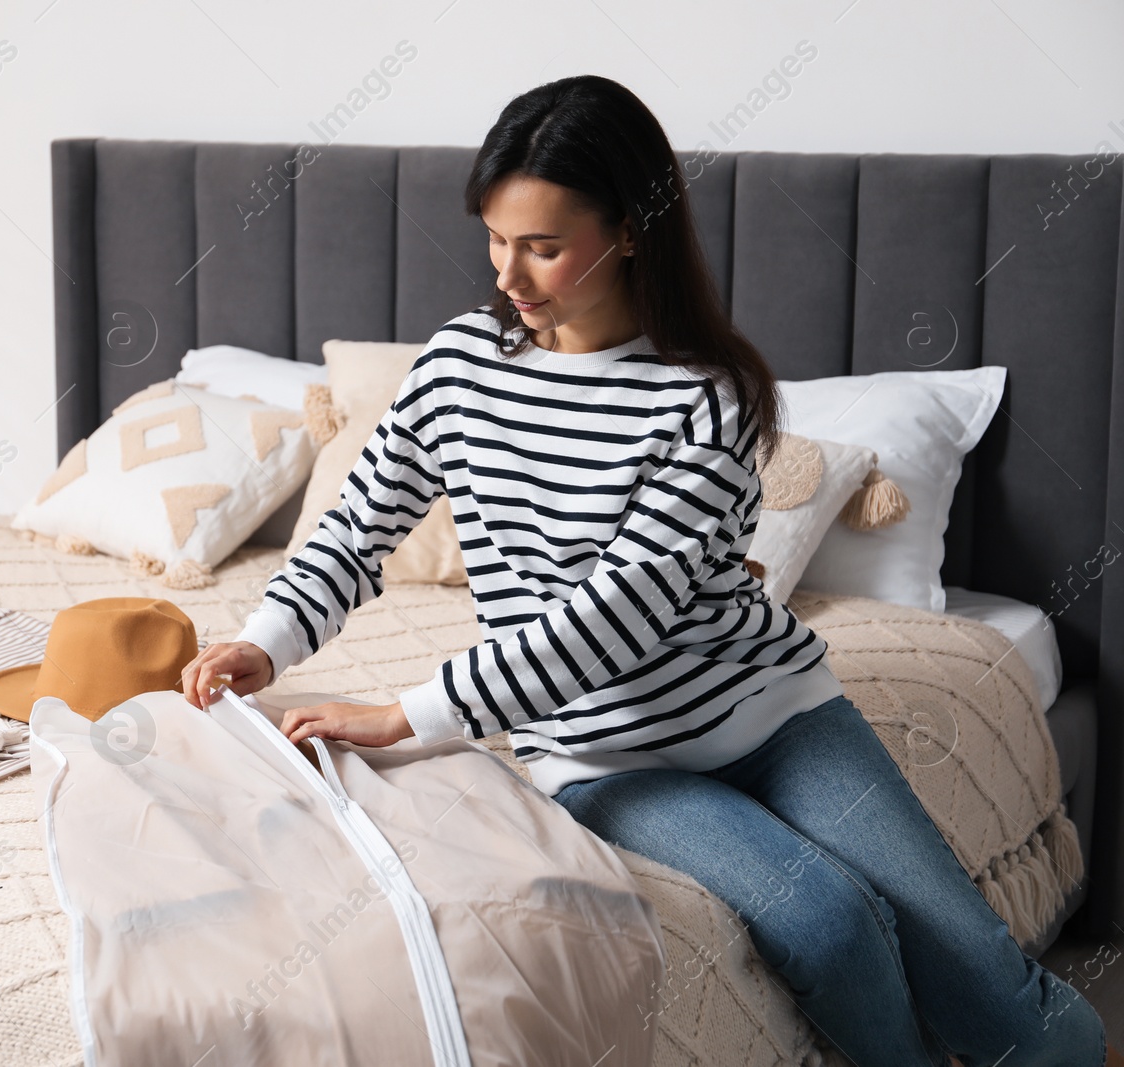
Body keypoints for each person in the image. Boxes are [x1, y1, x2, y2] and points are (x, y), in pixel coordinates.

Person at [180, 74, 1110, 1067]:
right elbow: (356, 525)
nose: (510, 274)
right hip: (601, 755)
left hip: (776, 714)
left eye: (543, 245)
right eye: (497, 238)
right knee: (833, 923)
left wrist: (409, 714)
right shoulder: (457, 367)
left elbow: (610, 617)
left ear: (629, 229)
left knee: (970, 955)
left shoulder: (706, 399)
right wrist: (265, 640)